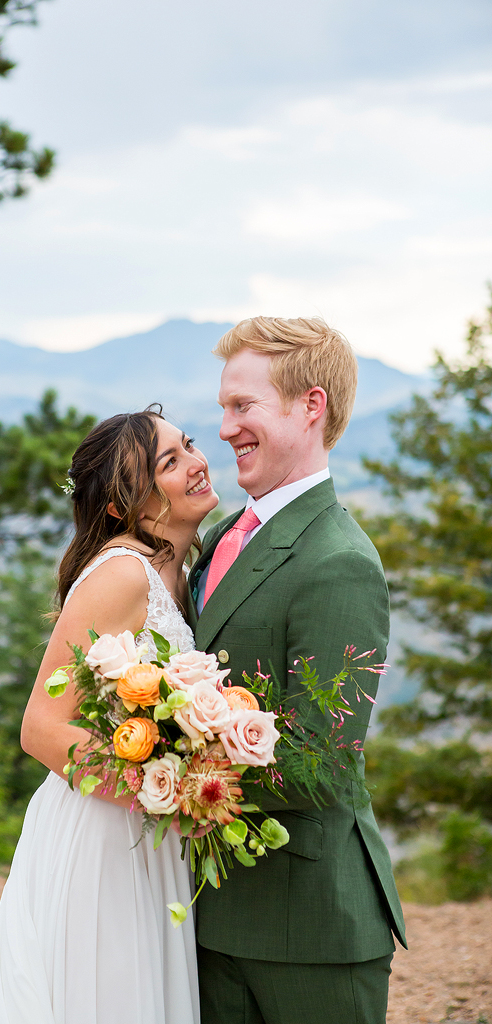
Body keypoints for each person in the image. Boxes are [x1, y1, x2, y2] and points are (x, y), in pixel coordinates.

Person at [0, 407, 218, 1024]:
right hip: (106, 831)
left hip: (145, 827)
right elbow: (42, 728)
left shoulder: (178, 571)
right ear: (120, 505)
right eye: (170, 462)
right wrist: (167, 792)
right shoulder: (123, 574)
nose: (196, 463)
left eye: (187, 446)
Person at [187, 317, 407, 1024]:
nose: (223, 428)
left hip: (308, 927)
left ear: (309, 406)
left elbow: (320, 764)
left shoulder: (337, 561)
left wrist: (168, 777)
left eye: (241, 406)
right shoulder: (224, 535)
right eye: (223, 407)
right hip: (209, 914)